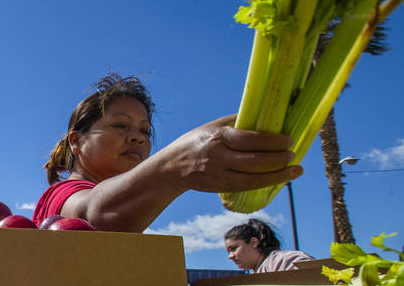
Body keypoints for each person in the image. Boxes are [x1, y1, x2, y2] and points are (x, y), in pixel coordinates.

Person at [31, 73, 303, 232]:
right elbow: (93, 216)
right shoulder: (61, 195)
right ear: (76, 142)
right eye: (120, 125)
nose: (137, 137)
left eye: (145, 131)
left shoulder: (129, 206)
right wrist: (175, 166)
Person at [224, 218, 315, 272]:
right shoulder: (256, 273)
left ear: (254, 243)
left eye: (234, 248)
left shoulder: (286, 260)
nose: (230, 256)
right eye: (228, 252)